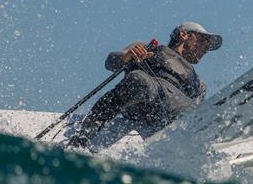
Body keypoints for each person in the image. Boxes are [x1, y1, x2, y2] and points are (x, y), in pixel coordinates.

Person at [67, 21, 222, 149]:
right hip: (140, 99)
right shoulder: (145, 48)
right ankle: (82, 138)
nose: (206, 50)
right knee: (139, 80)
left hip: (167, 118)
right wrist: (126, 58)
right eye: (202, 42)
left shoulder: (199, 84)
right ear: (184, 34)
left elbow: (194, 116)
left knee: (197, 115)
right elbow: (110, 62)